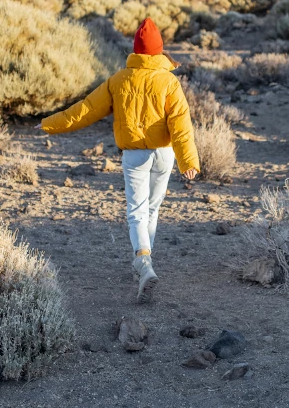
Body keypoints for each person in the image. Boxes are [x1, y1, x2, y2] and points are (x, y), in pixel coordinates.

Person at [38, 18, 199, 302]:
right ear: (159, 50)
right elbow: (181, 123)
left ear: (136, 50)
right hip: (164, 154)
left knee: (136, 211)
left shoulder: (119, 79)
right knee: (152, 209)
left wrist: (49, 123)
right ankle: (145, 262)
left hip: (134, 155)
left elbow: (85, 109)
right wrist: (188, 162)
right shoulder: (169, 81)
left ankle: (143, 261)